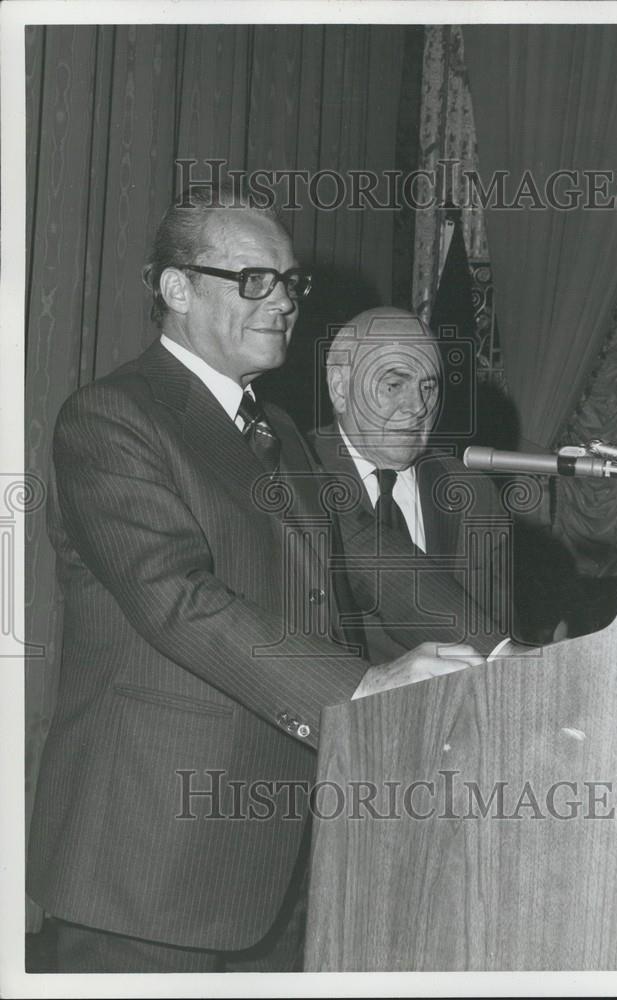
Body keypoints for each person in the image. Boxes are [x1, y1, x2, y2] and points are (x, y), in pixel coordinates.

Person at [26, 186, 483, 972]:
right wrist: (367, 688)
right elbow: (179, 602)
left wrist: (504, 651)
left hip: (280, 858)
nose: (282, 302)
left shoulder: (274, 432)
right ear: (176, 290)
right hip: (147, 858)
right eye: (253, 281)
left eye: (289, 283)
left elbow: (372, 556)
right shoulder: (111, 419)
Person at [308, 309, 514, 664]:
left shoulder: (475, 497)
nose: (418, 406)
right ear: (340, 389)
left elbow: (501, 641)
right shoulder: (297, 475)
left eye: (429, 387)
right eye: (394, 385)